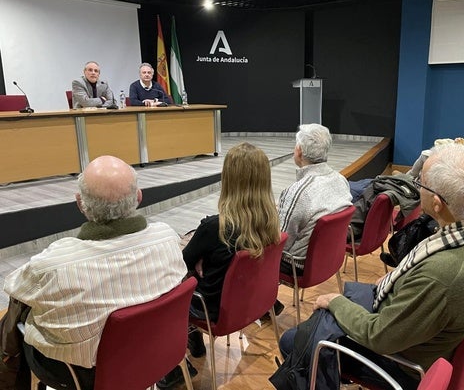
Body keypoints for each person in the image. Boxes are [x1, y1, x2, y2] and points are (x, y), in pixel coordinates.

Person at [279, 143, 464, 390]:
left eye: (420, 184)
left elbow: (378, 337)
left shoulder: (442, 275)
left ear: (437, 203)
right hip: (422, 337)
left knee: (294, 341)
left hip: (404, 364)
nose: (416, 187)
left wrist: (335, 302)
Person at [2, 155, 188, 390]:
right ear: (139, 197)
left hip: (82, 374)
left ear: (80, 203)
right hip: (157, 352)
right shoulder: (168, 237)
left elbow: (14, 287)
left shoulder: (53, 264)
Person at [157, 142, 281, 388]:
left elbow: (181, 264)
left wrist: (199, 255)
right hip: (251, 302)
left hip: (211, 309)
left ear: (229, 180)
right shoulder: (271, 221)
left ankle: (172, 367)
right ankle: (193, 340)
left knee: (166, 286)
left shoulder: (216, 228)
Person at [278, 123, 352, 276]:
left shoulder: (298, 192)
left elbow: (281, 242)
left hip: (297, 264)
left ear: (299, 151)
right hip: (330, 257)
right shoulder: (341, 180)